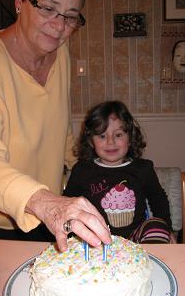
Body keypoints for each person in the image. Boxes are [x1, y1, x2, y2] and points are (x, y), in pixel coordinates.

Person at [0, 0, 111, 252]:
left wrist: (88, 172)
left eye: (70, 16)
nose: (58, 26)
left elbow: (60, 128)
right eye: (48, 8)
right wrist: (48, 203)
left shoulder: (61, 52)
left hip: (39, 214)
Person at [64, 100, 175, 244]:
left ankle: (150, 263)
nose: (110, 142)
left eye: (118, 135)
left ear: (130, 138)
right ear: (91, 141)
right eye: (102, 136)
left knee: (156, 226)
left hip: (136, 241)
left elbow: (158, 201)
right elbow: (68, 204)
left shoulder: (143, 169)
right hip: (95, 241)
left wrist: (168, 229)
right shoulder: (82, 170)